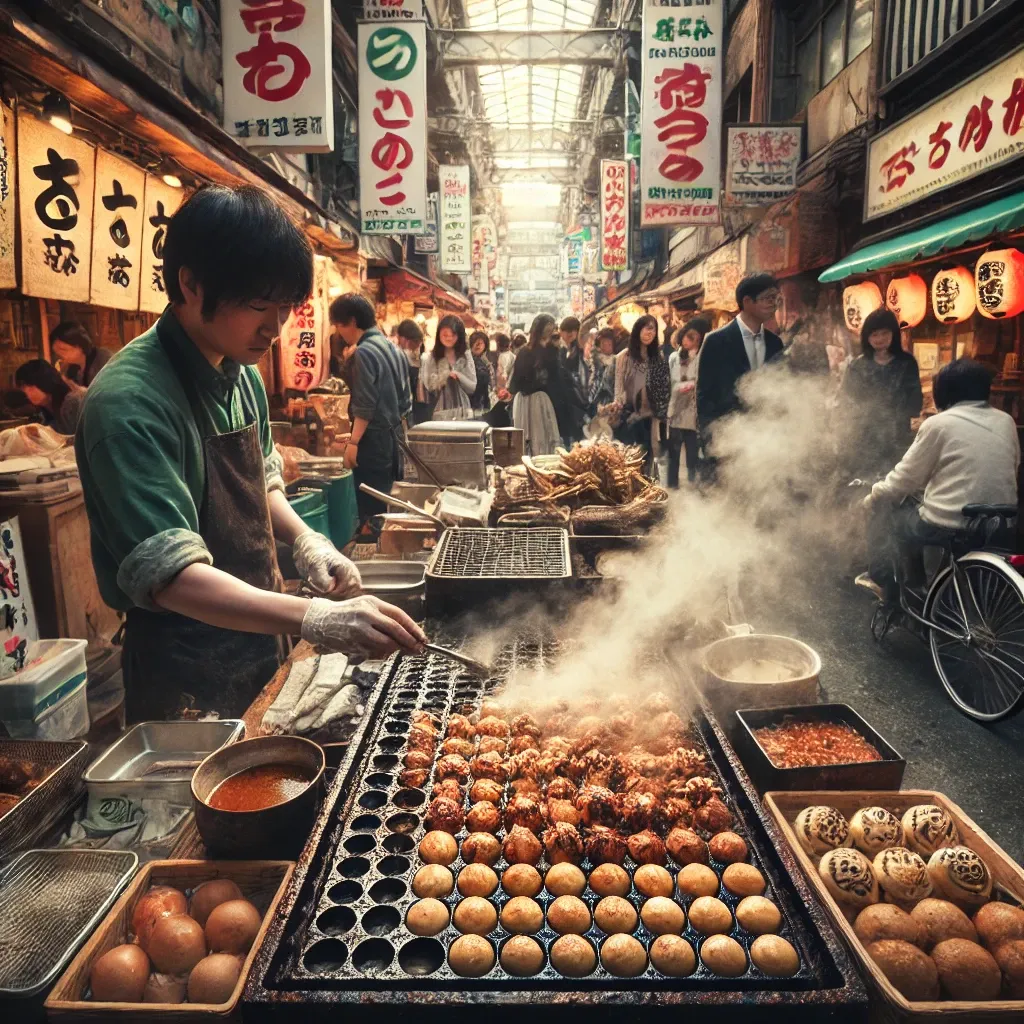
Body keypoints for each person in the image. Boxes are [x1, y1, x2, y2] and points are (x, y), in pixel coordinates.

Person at [76, 184, 424, 722]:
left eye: (286, 308)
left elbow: (262, 482)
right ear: (190, 283)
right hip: (184, 671)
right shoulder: (128, 403)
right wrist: (315, 617)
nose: (274, 327)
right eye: (260, 306)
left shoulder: (240, 375)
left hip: (261, 638)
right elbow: (172, 576)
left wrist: (308, 541)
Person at [860, 359, 1019, 603]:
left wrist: (874, 495)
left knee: (897, 517)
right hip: (1001, 521)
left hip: (951, 522)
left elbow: (904, 480)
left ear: (942, 392)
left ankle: (905, 586)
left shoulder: (938, 423)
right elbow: (1013, 464)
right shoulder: (1005, 420)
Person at [332, 294, 413, 522]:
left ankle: (371, 549)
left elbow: (366, 404)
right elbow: (402, 400)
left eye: (339, 326)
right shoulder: (393, 347)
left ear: (352, 321)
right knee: (387, 502)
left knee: (371, 508)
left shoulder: (364, 351)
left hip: (375, 444)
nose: (340, 333)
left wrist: (355, 442)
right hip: (395, 440)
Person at [696, 273, 784, 439]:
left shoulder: (775, 343)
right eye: (768, 298)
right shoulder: (716, 341)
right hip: (728, 438)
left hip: (769, 439)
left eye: (776, 299)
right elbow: (704, 397)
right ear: (747, 302)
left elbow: (781, 389)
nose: (774, 304)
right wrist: (710, 442)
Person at [840, 307, 923, 480]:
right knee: (864, 485)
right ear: (866, 337)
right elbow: (846, 403)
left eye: (884, 333)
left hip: (898, 438)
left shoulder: (907, 363)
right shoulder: (857, 366)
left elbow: (915, 402)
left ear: (893, 333)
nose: (879, 339)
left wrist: (897, 415)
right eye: (874, 334)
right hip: (864, 440)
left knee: (896, 484)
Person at [614, 315, 670, 473]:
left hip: (648, 417)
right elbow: (618, 388)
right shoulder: (623, 357)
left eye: (653, 329)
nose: (650, 333)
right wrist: (617, 407)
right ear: (638, 329)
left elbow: (663, 390)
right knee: (628, 463)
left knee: (647, 461)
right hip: (628, 416)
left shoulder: (658, 358)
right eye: (647, 328)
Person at [509, 314, 561, 456]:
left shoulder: (552, 351)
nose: (550, 330)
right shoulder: (526, 352)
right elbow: (518, 380)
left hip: (542, 401)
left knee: (544, 436)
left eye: (552, 326)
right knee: (532, 438)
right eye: (547, 326)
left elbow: (556, 378)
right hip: (531, 400)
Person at [666, 317, 709, 487]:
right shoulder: (674, 357)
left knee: (692, 453)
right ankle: (671, 484)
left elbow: (700, 380)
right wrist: (690, 384)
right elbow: (673, 382)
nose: (689, 341)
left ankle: (693, 484)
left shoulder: (700, 357)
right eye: (688, 337)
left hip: (692, 413)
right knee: (674, 452)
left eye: (694, 338)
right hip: (676, 409)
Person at [423, 315, 477, 420]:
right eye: (445, 334)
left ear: (459, 335)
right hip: (440, 411)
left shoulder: (465, 355)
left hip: (463, 411)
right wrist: (444, 376)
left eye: (453, 334)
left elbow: (472, 387)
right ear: (438, 334)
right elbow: (429, 386)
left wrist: (458, 375)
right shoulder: (433, 357)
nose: (449, 338)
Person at [15, 359, 86, 435]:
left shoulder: (72, 401)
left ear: (44, 381)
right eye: (24, 389)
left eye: (30, 386)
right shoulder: (45, 409)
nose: (28, 394)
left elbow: (73, 439)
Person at [50, 321, 113, 386]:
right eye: (56, 351)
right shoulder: (69, 368)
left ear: (79, 345)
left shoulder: (103, 358)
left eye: (63, 350)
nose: (59, 355)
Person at [396, 319, 430, 424]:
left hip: (417, 405)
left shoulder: (416, 356)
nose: (417, 347)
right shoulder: (399, 356)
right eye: (416, 343)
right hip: (408, 407)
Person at [468, 330, 493, 414]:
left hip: (484, 402)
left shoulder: (486, 361)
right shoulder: (466, 360)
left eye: (481, 343)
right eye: (475, 342)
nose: (477, 345)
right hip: (470, 402)